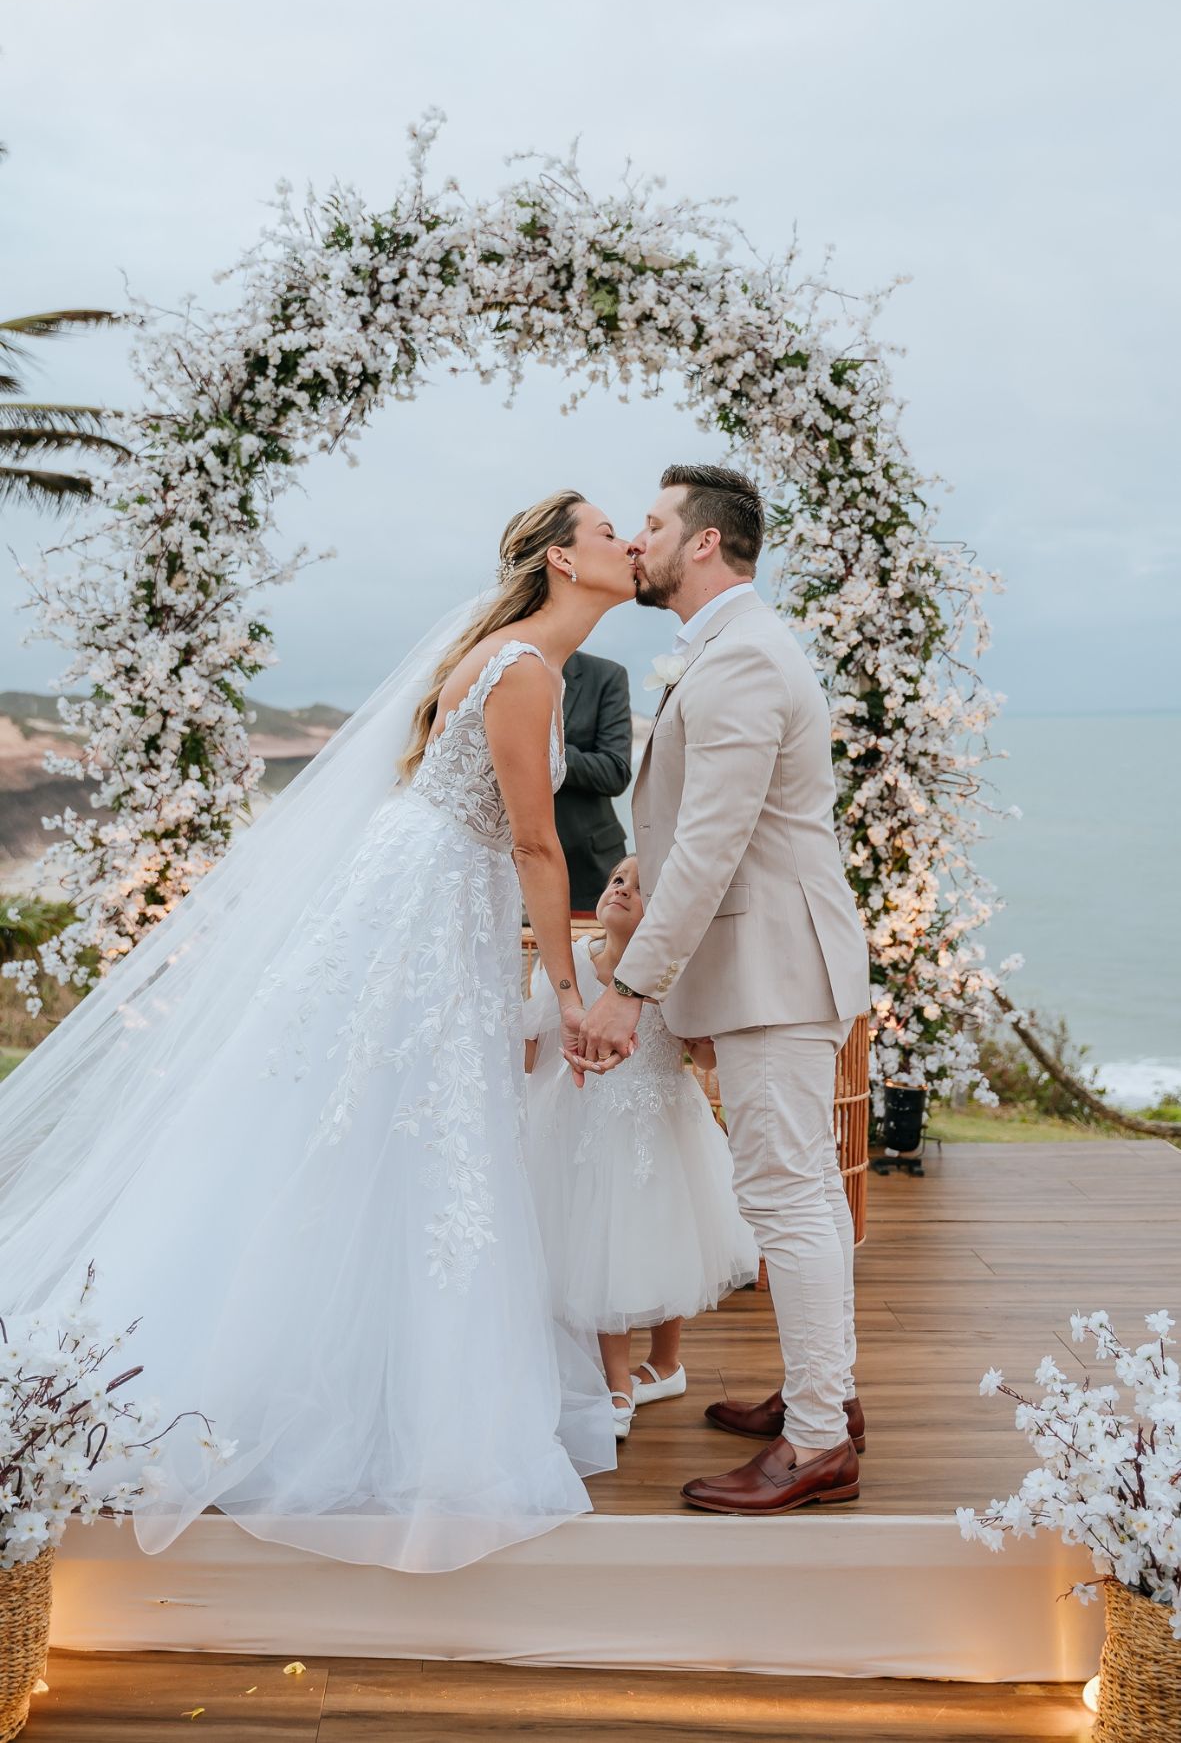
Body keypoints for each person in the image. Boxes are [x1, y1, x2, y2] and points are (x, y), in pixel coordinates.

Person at [0, 490, 637, 1573]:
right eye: (609, 530)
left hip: (420, 893)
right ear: (564, 561)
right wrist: (569, 991)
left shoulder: (503, 651)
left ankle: (355, 1361)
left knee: (371, 1121)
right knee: (396, 1123)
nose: (627, 542)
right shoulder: (526, 670)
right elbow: (536, 845)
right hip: (427, 910)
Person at [576, 463, 871, 1516]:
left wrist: (630, 988)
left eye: (652, 523)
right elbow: (688, 833)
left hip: (774, 966)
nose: (639, 538)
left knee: (786, 1196)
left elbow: (710, 844)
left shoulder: (743, 657)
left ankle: (815, 1442)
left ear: (702, 542)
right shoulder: (725, 650)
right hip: (763, 961)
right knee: (792, 1193)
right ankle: (817, 1390)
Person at [522, 855, 758, 1440]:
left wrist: (712, 1032)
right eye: (616, 879)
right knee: (606, 1246)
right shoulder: (572, 966)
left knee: (665, 1239)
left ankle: (668, 1363)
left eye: (640, 885)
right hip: (588, 1127)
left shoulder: (672, 976)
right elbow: (535, 1050)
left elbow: (700, 1057)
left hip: (664, 1122)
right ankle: (618, 1384)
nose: (622, 888)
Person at [553, 651, 633, 912]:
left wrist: (548, 749)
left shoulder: (606, 675)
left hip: (589, 867)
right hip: (499, 861)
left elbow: (615, 771)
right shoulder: (495, 671)